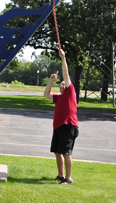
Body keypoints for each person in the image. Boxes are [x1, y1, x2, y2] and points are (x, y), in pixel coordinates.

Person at [43, 49, 79, 184]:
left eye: (64, 84)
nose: (62, 85)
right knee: (57, 152)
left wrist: (63, 58)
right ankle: (61, 176)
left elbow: (65, 73)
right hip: (58, 127)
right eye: (61, 85)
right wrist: (51, 81)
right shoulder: (58, 98)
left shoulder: (70, 92)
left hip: (68, 126)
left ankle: (68, 179)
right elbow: (46, 94)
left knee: (66, 153)